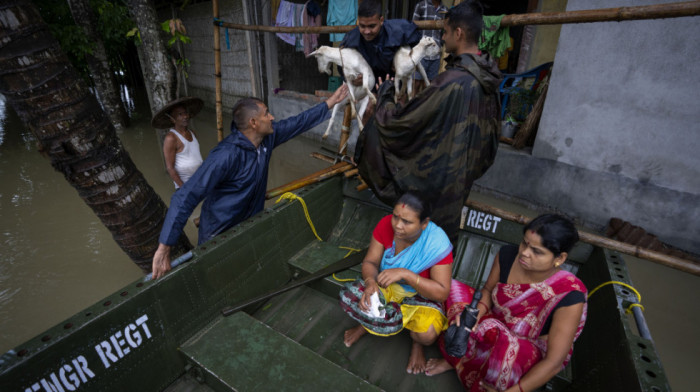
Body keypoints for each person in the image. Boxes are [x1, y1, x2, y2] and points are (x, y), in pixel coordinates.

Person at [150, 85, 349, 279]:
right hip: (219, 232)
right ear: (254, 122)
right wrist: (164, 247)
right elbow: (185, 197)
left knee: (248, 270)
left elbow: (298, 122)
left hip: (249, 223)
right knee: (221, 276)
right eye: (267, 114)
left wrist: (331, 102)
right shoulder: (225, 155)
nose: (272, 117)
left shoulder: (267, 139)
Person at [355, 1, 501, 242]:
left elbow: (400, 123)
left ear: (458, 33)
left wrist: (386, 96)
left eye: (444, 32)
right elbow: (490, 142)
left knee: (425, 242)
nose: (442, 39)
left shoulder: (451, 81)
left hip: (439, 185)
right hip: (461, 180)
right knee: (441, 244)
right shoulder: (489, 77)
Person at [425, 214, 588, 392]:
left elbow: (554, 362)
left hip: (526, 347)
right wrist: (473, 316)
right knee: (452, 293)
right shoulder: (508, 255)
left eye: (537, 251)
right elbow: (487, 291)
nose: (525, 253)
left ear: (560, 258)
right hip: (494, 322)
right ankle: (455, 361)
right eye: (525, 243)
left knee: (503, 354)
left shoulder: (569, 295)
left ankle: (476, 365)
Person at [339, 192, 453, 374]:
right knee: (355, 296)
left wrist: (407, 275)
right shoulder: (385, 224)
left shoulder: (437, 243)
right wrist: (370, 283)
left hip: (420, 292)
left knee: (427, 334)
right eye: (395, 217)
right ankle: (366, 326)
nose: (398, 226)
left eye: (407, 222)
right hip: (386, 283)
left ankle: (416, 343)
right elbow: (370, 262)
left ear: (424, 223)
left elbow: (442, 292)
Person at [340, 0, 422, 85]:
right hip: (368, 86)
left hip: (395, 83)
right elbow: (341, 64)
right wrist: (351, 79)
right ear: (358, 22)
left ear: (381, 20)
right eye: (362, 26)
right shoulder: (351, 40)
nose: (367, 31)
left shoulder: (398, 31)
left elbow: (419, 43)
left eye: (372, 26)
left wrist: (407, 59)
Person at [151, 97, 205, 189]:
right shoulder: (171, 138)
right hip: (185, 185)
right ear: (173, 119)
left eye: (185, 113)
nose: (185, 116)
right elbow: (170, 168)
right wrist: (184, 189)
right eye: (180, 114)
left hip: (200, 180)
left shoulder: (192, 133)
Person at [412, 0, 447, 84]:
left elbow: (446, 31)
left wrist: (440, 44)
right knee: (416, 82)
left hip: (435, 55)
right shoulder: (421, 6)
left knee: (431, 84)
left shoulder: (445, 10)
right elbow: (412, 27)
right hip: (421, 54)